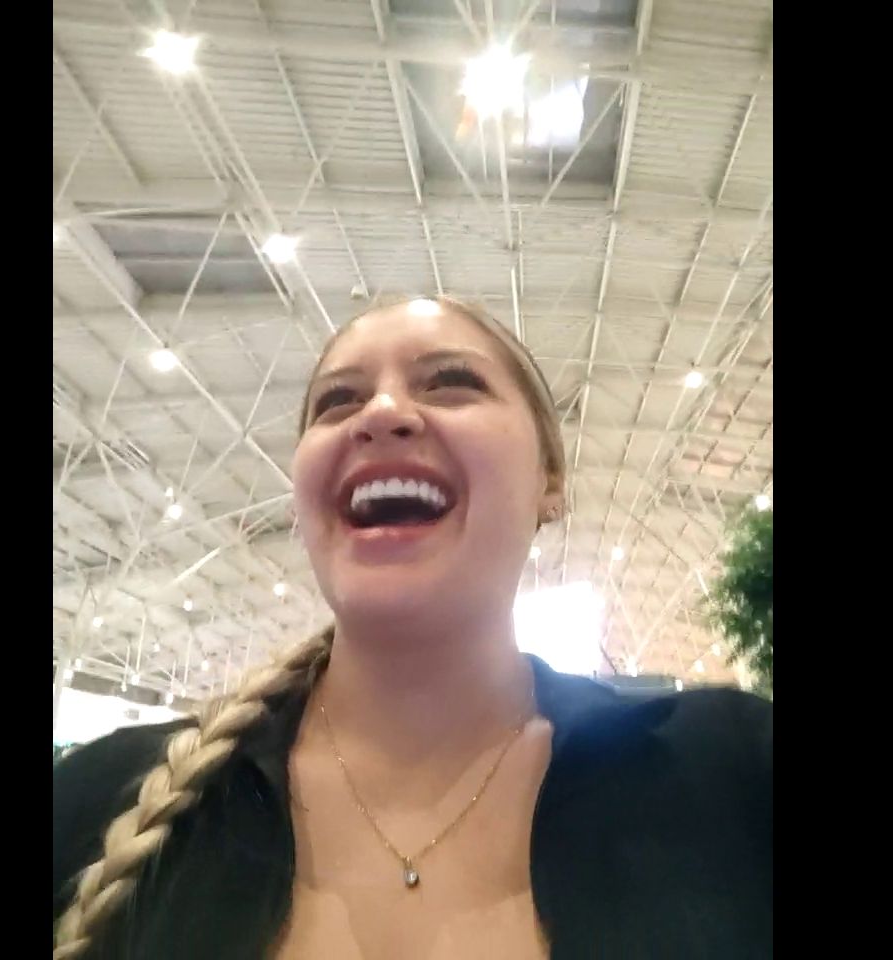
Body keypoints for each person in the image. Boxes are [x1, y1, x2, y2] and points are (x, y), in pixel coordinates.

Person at [53, 296, 772, 959]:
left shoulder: (735, 772)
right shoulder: (102, 803)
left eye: (452, 383)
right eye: (337, 400)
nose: (381, 411)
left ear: (549, 481)